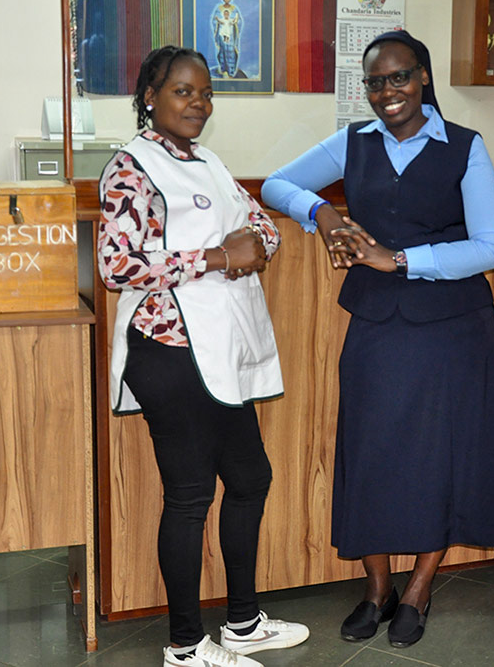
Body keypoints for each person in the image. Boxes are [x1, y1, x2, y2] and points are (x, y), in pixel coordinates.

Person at [261, 30, 494, 649]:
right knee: (371, 452)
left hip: (454, 329)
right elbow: (276, 183)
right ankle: (376, 588)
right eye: (376, 82)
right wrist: (322, 214)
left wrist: (400, 259)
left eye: (400, 78)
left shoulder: (464, 147)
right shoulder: (354, 142)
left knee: (441, 458)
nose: (388, 93)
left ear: (424, 78)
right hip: (377, 326)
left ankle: (418, 588)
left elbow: (489, 246)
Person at [98, 45, 309, 667]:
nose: (199, 103)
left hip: (217, 348)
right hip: (167, 351)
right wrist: (217, 259)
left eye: (206, 93)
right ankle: (187, 647)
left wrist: (256, 242)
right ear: (150, 97)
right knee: (190, 496)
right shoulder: (130, 169)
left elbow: (259, 223)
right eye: (184, 92)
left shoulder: (207, 161)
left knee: (250, 479)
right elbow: (117, 266)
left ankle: (241, 623)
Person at [212, 0, 241, 78]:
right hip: (221, 35)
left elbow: (238, 21)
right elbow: (215, 21)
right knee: (222, 51)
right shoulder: (219, 9)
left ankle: (231, 71)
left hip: (231, 35)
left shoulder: (234, 9)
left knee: (231, 52)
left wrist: (235, 23)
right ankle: (224, 69)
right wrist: (218, 26)